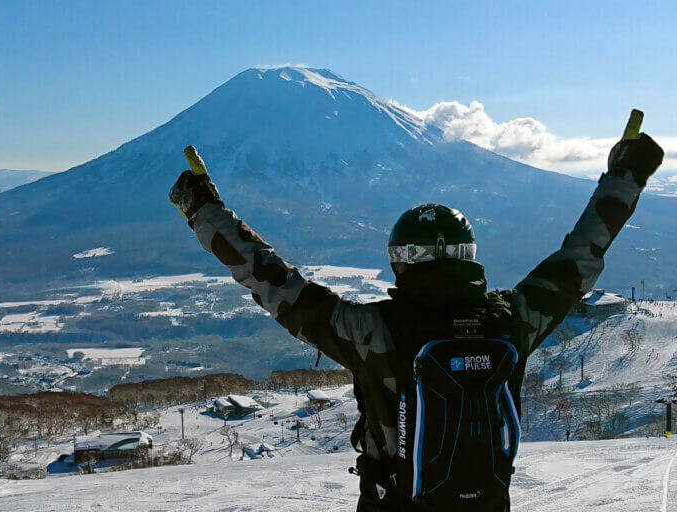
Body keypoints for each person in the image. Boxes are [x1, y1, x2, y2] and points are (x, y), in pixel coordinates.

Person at [169, 111, 663, 511]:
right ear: (468, 255)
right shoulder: (513, 320)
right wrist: (626, 173)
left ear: (400, 260)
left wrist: (203, 208)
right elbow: (581, 256)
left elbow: (273, 281)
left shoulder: (372, 331)